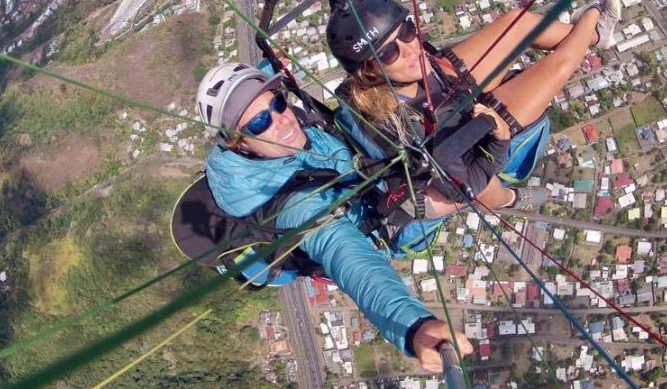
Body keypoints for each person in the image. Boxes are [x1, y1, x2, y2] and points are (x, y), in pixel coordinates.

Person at [196, 62, 473, 372]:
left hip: (366, 175)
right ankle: (510, 190)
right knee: (470, 181)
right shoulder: (295, 207)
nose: (281, 119)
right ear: (240, 143)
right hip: (386, 226)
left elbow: (266, 106)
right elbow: (344, 253)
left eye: (277, 102)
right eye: (260, 122)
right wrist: (414, 327)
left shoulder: (274, 145)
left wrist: (269, 67)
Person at [327, 0, 621, 218]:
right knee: (558, 67)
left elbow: (362, 36)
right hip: (476, 144)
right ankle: (594, 22)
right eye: (389, 52)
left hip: (448, 93)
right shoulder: (405, 129)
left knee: (516, 23)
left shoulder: (386, 74)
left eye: (406, 31)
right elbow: (464, 186)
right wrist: (502, 146)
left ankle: (594, 36)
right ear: (370, 70)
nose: (408, 49)